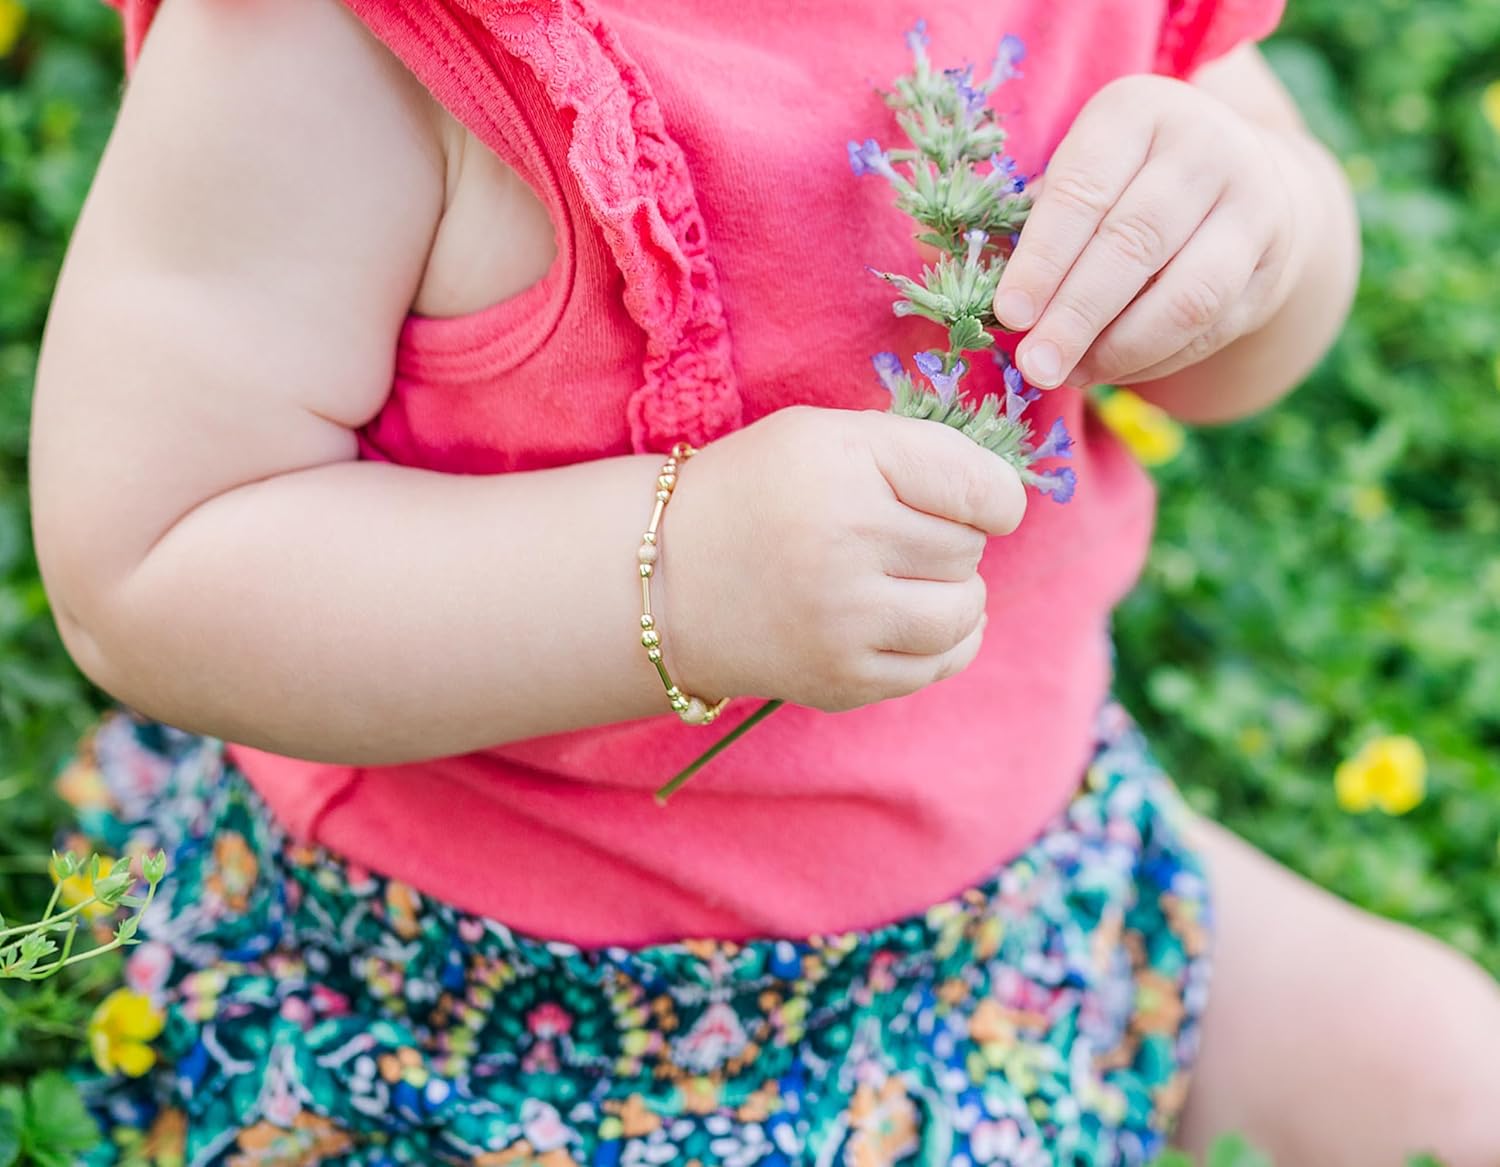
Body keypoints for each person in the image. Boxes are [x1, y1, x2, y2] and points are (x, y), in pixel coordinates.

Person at [28, 0, 1500, 1163]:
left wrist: (1261, 232)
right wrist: (683, 572)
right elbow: (153, 556)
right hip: (504, 1024)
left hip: (1041, 897)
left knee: (1458, 1089)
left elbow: (1249, 340)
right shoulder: (348, 46)